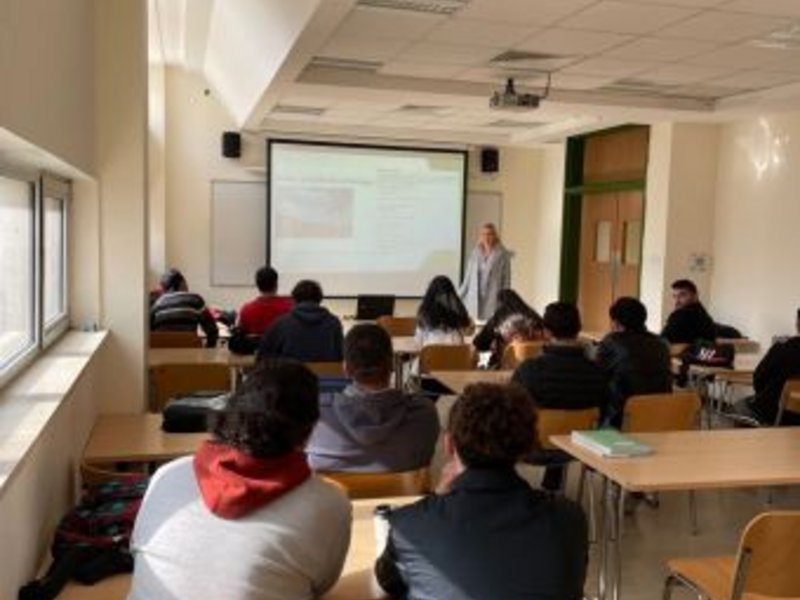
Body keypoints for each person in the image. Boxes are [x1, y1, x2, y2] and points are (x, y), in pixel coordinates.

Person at [127, 360, 352, 600]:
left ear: (230, 411)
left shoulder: (166, 475)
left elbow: (137, 550)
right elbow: (322, 586)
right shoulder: (329, 504)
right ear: (310, 429)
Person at [375, 383, 588, 600]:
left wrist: (436, 500)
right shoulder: (569, 519)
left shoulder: (410, 524)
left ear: (449, 446)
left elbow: (388, 582)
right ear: (525, 447)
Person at [306, 323, 439, 472]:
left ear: (346, 369)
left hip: (335, 495)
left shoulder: (314, 414)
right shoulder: (425, 413)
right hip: (404, 495)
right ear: (392, 365)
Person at [512, 302, 609, 490]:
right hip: (581, 448)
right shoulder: (598, 372)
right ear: (578, 329)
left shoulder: (530, 370)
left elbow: (510, 408)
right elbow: (603, 411)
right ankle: (553, 483)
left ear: (546, 332)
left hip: (533, 448)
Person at [595, 297, 673, 427]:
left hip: (621, 419)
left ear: (616, 322)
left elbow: (597, 373)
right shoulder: (662, 343)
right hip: (660, 416)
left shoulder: (612, 341)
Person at [732, 309, 800, 426]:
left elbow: (758, 379)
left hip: (774, 413)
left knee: (738, 406)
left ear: (797, 323)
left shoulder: (781, 349)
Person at [257, 280, 343, 362]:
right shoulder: (334, 323)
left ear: (294, 299)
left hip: (290, 375)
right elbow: (341, 355)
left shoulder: (281, 324)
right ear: (319, 299)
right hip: (327, 376)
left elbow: (263, 356)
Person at [472, 288, 543, 367]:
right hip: (537, 364)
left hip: (508, 365)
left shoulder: (499, 317)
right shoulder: (533, 315)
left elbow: (479, 343)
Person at [150, 268, 218, 347]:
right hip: (189, 354)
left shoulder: (158, 303)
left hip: (161, 355)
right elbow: (213, 331)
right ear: (182, 283)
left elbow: (150, 332)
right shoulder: (195, 299)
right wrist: (208, 353)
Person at [459, 223, 512, 320]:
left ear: (495, 236)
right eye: (484, 234)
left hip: (493, 298)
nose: (487, 237)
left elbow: (506, 281)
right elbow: (467, 280)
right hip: (475, 299)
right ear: (481, 236)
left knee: (490, 327)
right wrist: (457, 297)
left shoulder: (503, 255)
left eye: (490, 234)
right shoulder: (475, 254)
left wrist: (505, 302)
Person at [415, 275, 471, 347]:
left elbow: (418, 341)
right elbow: (468, 332)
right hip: (455, 355)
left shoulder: (425, 312)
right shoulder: (458, 311)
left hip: (430, 355)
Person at [237, 266, 293, 337]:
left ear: (258, 285)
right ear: (276, 284)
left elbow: (242, 334)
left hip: (257, 348)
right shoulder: (291, 307)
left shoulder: (246, 310)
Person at [661, 279, 716, 344]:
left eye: (682, 295)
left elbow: (663, 341)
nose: (676, 301)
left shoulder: (682, 315)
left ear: (695, 296)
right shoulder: (702, 313)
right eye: (674, 296)